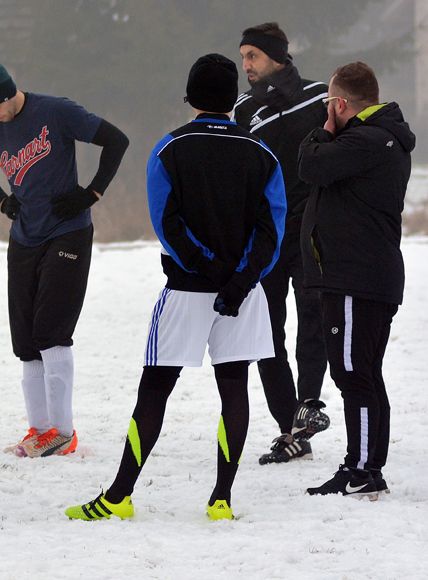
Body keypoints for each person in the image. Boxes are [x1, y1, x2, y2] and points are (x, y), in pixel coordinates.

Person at [66, 54, 286, 522]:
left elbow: (167, 224)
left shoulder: (168, 149)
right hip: (243, 296)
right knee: (235, 388)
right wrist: (239, 281)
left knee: (155, 390)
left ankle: (119, 496)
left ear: (189, 98)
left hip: (187, 291)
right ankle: (221, 499)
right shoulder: (262, 153)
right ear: (233, 100)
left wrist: (209, 271)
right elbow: (273, 229)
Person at [0, 63, 128, 458]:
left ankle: (64, 432)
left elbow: (116, 141)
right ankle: (39, 429)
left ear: (10, 94)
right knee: (25, 339)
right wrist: (2, 200)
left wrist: (92, 193)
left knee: (50, 331)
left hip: (67, 231)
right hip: (24, 236)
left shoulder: (56, 111)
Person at [298, 62, 414, 497]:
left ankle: (362, 470)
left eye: (330, 104)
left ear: (340, 103)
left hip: (354, 280)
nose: (326, 113)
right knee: (365, 373)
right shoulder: (379, 138)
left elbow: (308, 164)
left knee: (353, 375)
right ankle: (367, 467)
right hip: (366, 277)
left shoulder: (365, 141)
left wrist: (324, 129)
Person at [234, 22, 332, 465]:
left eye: (252, 56)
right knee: (266, 336)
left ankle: (308, 410)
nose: (246, 65)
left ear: (277, 56)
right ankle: (288, 428)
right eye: (242, 58)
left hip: (312, 233)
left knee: (312, 323)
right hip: (266, 239)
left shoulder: (317, 97)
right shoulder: (244, 108)